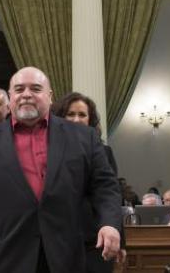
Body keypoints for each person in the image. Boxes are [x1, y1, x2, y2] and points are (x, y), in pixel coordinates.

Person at [0, 67, 121, 273]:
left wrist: (110, 224)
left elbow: (105, 187)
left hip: (66, 255)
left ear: (49, 97)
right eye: (19, 89)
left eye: (36, 89)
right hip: (4, 256)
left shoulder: (84, 137)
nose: (27, 94)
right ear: (10, 97)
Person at [53, 92, 124, 272]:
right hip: (58, 237)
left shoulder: (104, 152)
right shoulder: (49, 151)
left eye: (82, 115)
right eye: (71, 114)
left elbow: (111, 195)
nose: (76, 120)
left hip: (95, 239)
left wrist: (120, 239)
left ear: (90, 120)